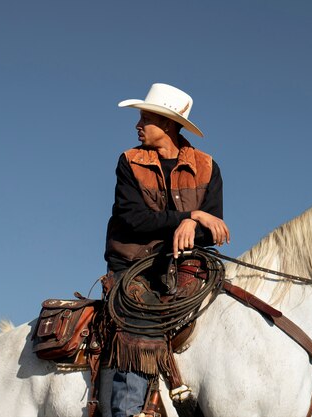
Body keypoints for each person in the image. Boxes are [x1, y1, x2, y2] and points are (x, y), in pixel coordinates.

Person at [104, 83, 230, 417]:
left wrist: (195, 223)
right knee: (139, 320)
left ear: (169, 124)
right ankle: (128, 410)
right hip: (134, 264)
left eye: (146, 118)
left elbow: (214, 229)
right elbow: (133, 219)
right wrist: (189, 216)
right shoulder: (129, 162)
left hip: (187, 264)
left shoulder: (207, 166)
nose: (138, 125)